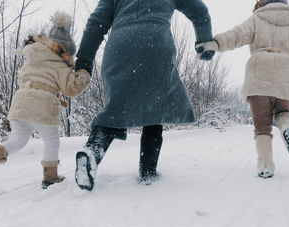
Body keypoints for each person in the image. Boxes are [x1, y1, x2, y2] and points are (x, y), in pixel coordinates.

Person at [73, 0, 216, 191]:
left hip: (119, 48)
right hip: (155, 45)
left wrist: (84, 60)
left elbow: (96, 23)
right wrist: (204, 42)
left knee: (115, 109)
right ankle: (148, 171)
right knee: (155, 109)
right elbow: (200, 12)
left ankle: (92, 151)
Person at [196, 0, 289, 178]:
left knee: (262, 127)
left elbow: (236, 35)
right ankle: (287, 126)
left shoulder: (257, 18)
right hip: (285, 74)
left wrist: (214, 44)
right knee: (282, 111)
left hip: (259, 73)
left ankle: (265, 165)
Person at [0, 12, 90, 188]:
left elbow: (22, 81)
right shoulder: (59, 64)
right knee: (51, 141)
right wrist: (84, 74)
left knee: (17, 140)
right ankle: (50, 177)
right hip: (43, 104)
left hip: (20, 103)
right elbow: (70, 89)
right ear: (64, 49)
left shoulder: (31, 59)